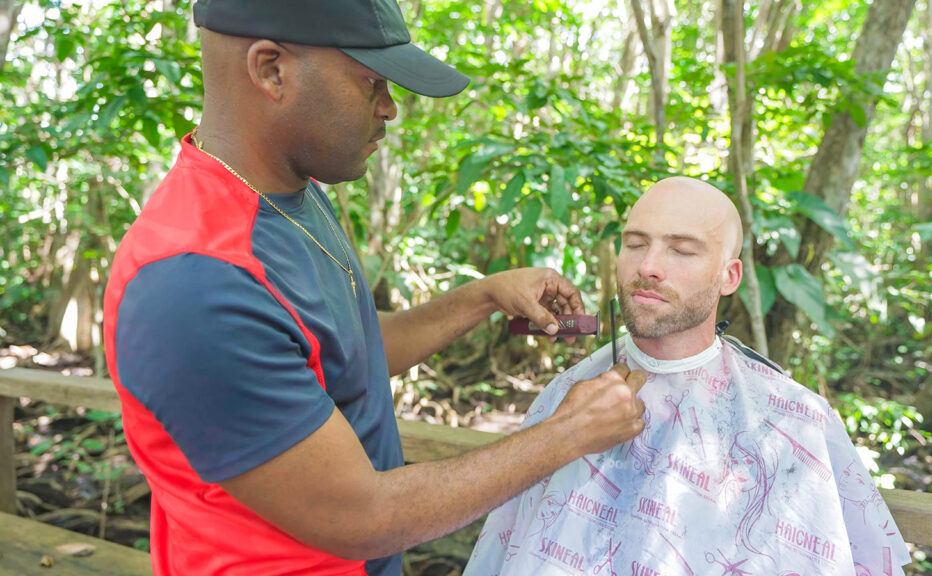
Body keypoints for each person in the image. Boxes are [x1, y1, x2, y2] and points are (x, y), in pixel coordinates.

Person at [102, 1, 648, 575]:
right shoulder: (194, 285)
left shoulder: (292, 195)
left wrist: (485, 295)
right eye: (371, 83)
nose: (389, 109)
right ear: (271, 70)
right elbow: (360, 517)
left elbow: (342, 351)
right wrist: (568, 432)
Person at [464, 177, 912, 576]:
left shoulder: (795, 420)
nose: (648, 267)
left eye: (681, 250)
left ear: (729, 277)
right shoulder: (567, 393)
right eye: (636, 244)